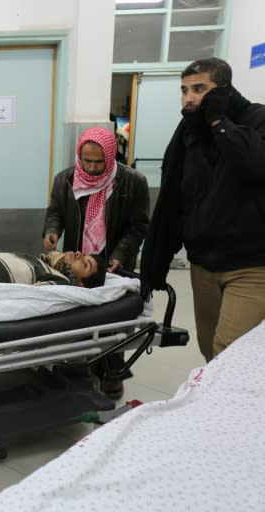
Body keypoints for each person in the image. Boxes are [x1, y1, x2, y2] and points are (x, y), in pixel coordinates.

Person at [140, 57, 265, 363]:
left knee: (229, 352)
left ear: (223, 90)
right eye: (184, 90)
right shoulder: (188, 134)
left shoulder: (257, 119)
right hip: (203, 265)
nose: (189, 98)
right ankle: (221, 409)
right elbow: (175, 202)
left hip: (251, 266)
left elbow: (255, 165)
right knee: (209, 349)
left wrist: (219, 123)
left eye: (199, 89)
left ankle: (237, 410)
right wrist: (158, 260)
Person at [42, 126, 149, 399]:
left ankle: (113, 372)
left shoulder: (132, 182)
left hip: (112, 261)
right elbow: (55, 211)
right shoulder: (65, 179)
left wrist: (120, 255)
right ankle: (77, 368)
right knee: (76, 317)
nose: (90, 167)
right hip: (77, 261)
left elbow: (138, 227)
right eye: (86, 160)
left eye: (98, 162)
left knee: (113, 319)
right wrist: (52, 231)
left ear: (111, 157)